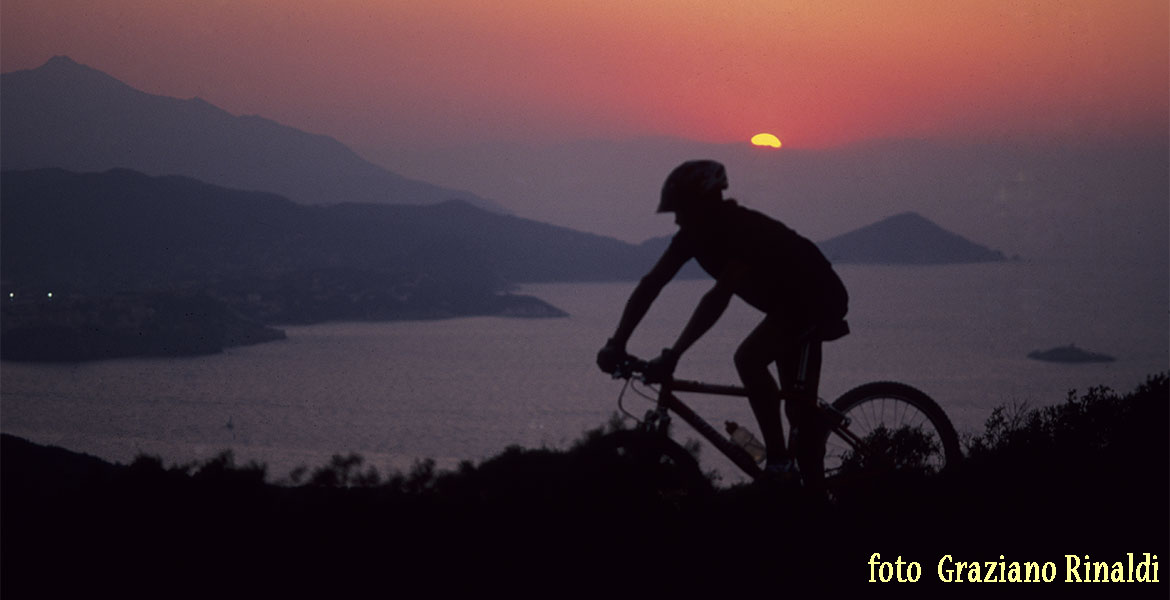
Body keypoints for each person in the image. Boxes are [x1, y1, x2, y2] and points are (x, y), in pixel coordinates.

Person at [596, 160, 849, 487]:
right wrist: (617, 342)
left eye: (681, 209)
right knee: (797, 412)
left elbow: (718, 297)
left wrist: (674, 354)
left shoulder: (741, 230)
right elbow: (652, 284)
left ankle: (780, 465)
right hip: (788, 306)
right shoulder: (691, 236)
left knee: (749, 359)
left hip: (817, 298)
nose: (676, 218)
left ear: (702, 204)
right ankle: (795, 481)